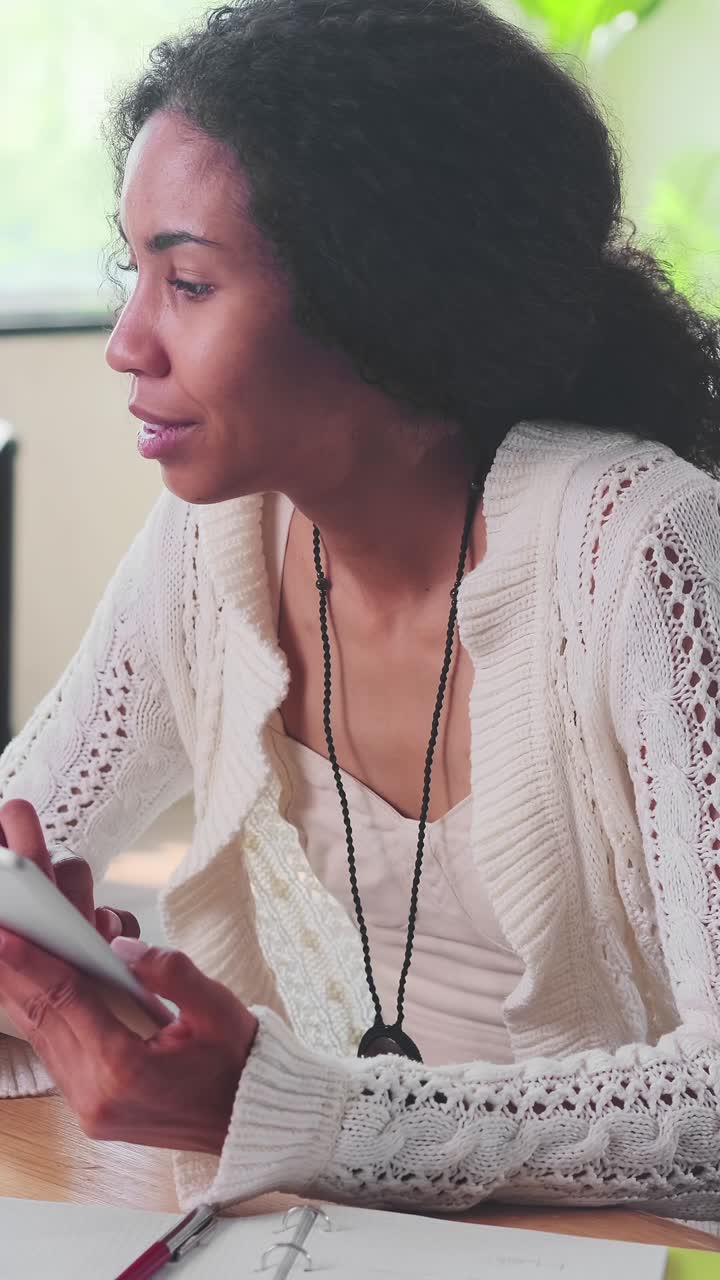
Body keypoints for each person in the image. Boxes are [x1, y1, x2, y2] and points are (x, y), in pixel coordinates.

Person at [1, 0, 720, 1226]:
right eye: (134, 275)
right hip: (337, 1237)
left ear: (378, 301)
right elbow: (25, 841)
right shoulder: (213, 538)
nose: (128, 342)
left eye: (186, 282)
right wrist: (42, 982)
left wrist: (301, 1109)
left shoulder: (638, 548)